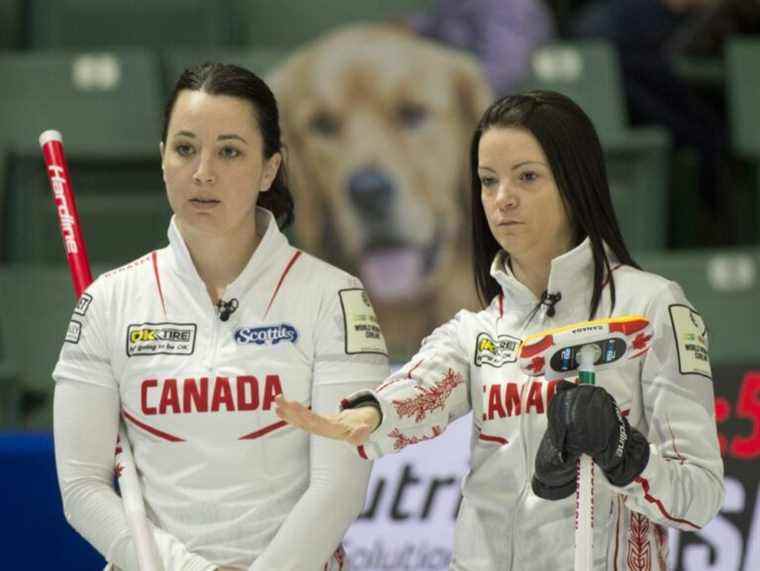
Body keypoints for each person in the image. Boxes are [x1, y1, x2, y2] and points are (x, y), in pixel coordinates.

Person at [275, 90, 725, 570]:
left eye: (527, 177)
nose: (502, 199)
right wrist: (367, 415)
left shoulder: (652, 308)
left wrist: (624, 453)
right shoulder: (476, 333)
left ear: (575, 183)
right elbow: (419, 387)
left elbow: (699, 496)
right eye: (488, 181)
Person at [52, 62, 389, 571]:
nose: (203, 171)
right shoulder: (109, 301)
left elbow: (338, 488)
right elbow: (81, 487)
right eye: (185, 148)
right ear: (162, 159)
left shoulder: (334, 297)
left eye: (229, 151)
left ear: (269, 168)